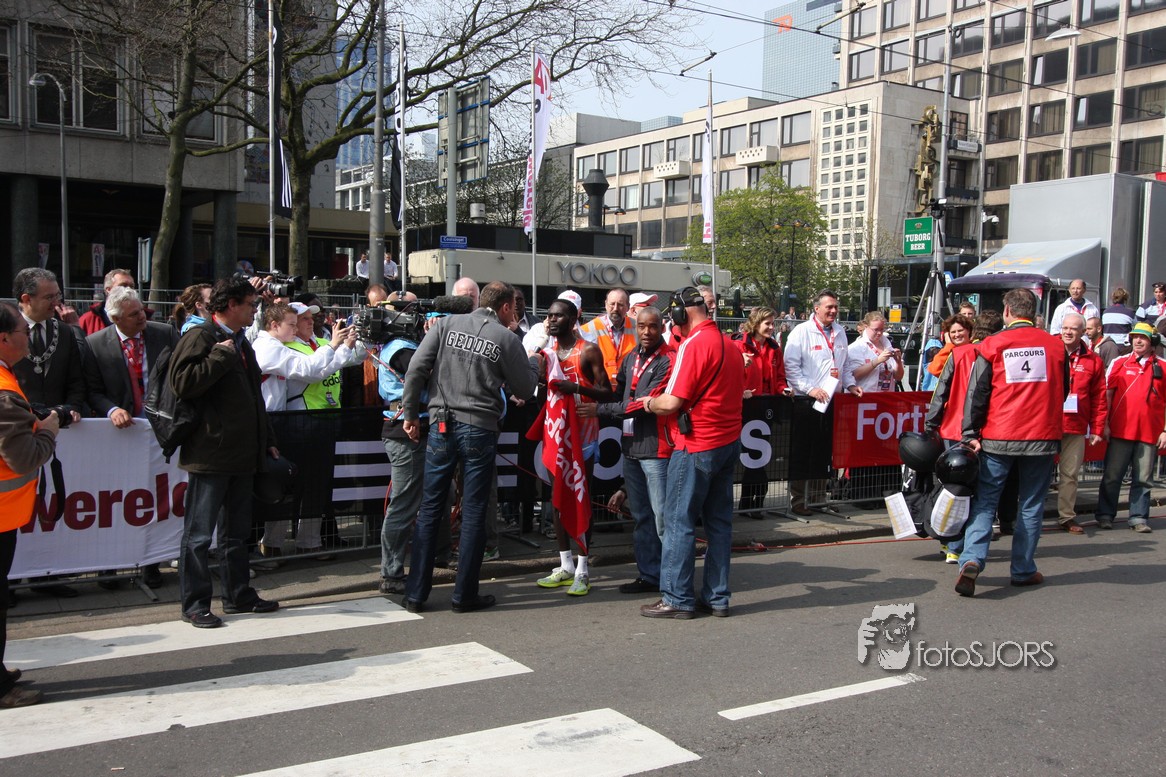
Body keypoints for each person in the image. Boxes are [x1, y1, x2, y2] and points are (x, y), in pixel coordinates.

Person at [399, 281, 537, 613]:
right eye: (514, 309)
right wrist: (533, 363)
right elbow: (526, 389)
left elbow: (416, 369)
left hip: (441, 424)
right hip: (479, 427)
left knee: (431, 507)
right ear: (505, 307)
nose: (515, 315)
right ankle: (464, 595)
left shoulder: (445, 326)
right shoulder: (506, 338)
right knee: (474, 510)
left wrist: (411, 414)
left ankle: (415, 594)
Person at [169, 277, 281, 628]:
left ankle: (238, 594)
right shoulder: (201, 336)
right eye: (250, 304)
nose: (254, 311)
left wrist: (267, 439)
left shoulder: (241, 341)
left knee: (236, 532)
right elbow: (182, 383)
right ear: (231, 305)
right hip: (210, 454)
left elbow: (254, 397)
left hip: (241, 453)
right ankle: (195, 604)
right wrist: (219, 355)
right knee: (200, 535)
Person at [639, 287, 744, 619]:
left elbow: (672, 402)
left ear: (680, 314)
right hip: (727, 442)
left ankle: (677, 597)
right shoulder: (730, 345)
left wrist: (648, 403)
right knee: (719, 524)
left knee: (678, 522)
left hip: (697, 444)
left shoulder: (694, 345)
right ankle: (717, 597)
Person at [955, 288, 1068, 597]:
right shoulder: (1056, 346)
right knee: (1031, 504)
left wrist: (970, 433)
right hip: (1041, 436)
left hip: (999, 434)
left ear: (1007, 312)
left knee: (986, 501)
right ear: (1033, 313)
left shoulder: (992, 344)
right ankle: (1023, 570)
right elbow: (1064, 389)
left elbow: (977, 393)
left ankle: (972, 559)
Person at [84, 286, 178, 589]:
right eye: (134, 314)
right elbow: (92, 390)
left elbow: (179, 375)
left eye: (142, 310)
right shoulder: (96, 344)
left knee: (153, 499)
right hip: (119, 436)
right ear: (115, 318)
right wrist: (111, 410)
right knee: (115, 501)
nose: (142, 317)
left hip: (158, 432)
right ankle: (108, 568)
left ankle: (151, 564)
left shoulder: (164, 334)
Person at [11, 268, 86, 599]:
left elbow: (76, 381)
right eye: (49, 296)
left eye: (58, 295)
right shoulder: (7, 332)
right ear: (26, 299)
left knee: (52, 505)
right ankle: (11, 581)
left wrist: (68, 409)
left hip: (57, 433)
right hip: (17, 437)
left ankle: (49, 573)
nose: (57, 302)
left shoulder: (64, 333)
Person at [0, 303, 60, 707]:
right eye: (23, 330)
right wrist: (48, 432)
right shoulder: (4, 390)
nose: (29, 336)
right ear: (4, 338)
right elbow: (22, 458)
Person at [534, 298, 615, 597]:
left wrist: (577, 388)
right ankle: (565, 564)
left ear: (572, 319)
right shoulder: (547, 353)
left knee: (581, 499)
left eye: (558, 316)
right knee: (557, 500)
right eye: (549, 315)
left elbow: (607, 392)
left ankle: (583, 569)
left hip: (584, 438)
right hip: (557, 436)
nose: (552, 320)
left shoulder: (588, 350)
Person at [597, 306, 673, 594]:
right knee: (642, 518)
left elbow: (641, 404)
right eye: (641, 326)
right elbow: (618, 394)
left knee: (662, 519)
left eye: (652, 326)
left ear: (662, 328)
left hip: (656, 450)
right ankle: (650, 575)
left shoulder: (668, 359)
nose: (646, 332)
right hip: (630, 447)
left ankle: (673, 581)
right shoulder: (630, 357)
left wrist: (599, 409)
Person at [782, 290, 861, 516]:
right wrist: (811, 389)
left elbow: (845, 365)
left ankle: (818, 498)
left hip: (831, 400)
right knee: (803, 451)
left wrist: (850, 384)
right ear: (817, 309)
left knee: (823, 451)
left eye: (836, 307)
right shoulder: (801, 332)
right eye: (829, 307)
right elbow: (791, 367)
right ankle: (798, 500)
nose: (834, 311)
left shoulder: (840, 332)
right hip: (806, 401)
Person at [1096, 322, 1166, 534]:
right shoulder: (1119, 362)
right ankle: (1105, 515)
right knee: (1112, 475)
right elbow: (1107, 395)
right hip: (1120, 431)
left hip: (1149, 433)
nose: (1138, 341)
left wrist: (1165, 430)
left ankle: (1138, 517)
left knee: (1143, 479)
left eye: (1143, 337)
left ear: (1152, 342)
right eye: (1135, 337)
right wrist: (1105, 424)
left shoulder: (1163, 366)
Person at [735, 306, 790, 513]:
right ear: (756, 323)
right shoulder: (739, 345)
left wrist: (783, 389)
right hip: (743, 408)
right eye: (767, 323)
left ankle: (754, 502)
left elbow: (780, 377)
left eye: (773, 323)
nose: (771, 327)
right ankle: (747, 502)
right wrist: (740, 390)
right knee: (745, 456)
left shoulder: (774, 348)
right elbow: (729, 375)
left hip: (766, 408)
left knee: (759, 456)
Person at [1056, 313, 1107, 535]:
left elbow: (1099, 397)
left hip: (1075, 426)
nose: (1068, 332)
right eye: (1065, 328)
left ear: (1083, 332)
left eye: (1073, 329)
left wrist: (1097, 428)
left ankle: (1066, 516)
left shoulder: (1093, 360)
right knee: (1037, 474)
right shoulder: (1050, 351)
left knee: (1070, 474)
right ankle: (1031, 516)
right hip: (1047, 425)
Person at [580, 288, 636, 386]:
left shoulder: (638, 328)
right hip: (599, 389)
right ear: (606, 305)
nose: (615, 308)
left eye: (620, 304)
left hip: (627, 388)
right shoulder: (587, 329)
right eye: (612, 304)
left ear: (628, 307)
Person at [847, 312, 903, 393]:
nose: (879, 333)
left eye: (882, 329)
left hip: (886, 396)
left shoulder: (887, 345)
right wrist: (877, 361)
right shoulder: (855, 348)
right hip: (864, 396)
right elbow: (852, 376)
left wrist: (898, 362)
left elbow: (898, 377)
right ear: (866, 327)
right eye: (876, 330)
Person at [78, 268, 136, 336]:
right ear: (108, 289)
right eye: (123, 285)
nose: (129, 290)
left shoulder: (142, 318)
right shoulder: (87, 320)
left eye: (132, 286)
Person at [926, 314, 973, 379]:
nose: (957, 334)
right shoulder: (949, 351)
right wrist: (948, 345)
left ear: (968, 331)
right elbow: (935, 370)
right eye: (953, 332)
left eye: (960, 330)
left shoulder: (975, 349)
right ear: (948, 335)